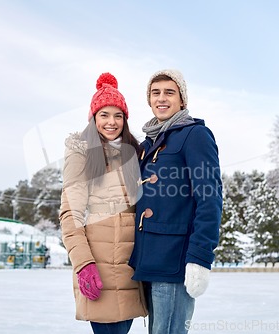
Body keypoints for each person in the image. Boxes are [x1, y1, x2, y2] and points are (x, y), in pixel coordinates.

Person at [128, 69, 222, 334]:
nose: (162, 98)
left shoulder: (195, 135)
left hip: (175, 259)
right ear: (149, 100)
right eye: (155, 93)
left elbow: (210, 198)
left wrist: (200, 257)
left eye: (170, 92)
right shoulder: (149, 143)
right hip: (149, 259)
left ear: (182, 100)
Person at [59, 72, 147, 334]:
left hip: (131, 267)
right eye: (104, 115)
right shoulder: (82, 153)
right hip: (99, 268)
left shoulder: (134, 154)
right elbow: (70, 214)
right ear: (93, 117)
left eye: (118, 115)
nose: (112, 122)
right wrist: (84, 264)